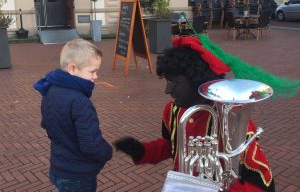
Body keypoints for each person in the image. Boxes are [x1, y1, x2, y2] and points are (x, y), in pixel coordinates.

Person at [114, 36, 276, 192]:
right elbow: (173, 146)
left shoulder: (231, 118)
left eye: (174, 82)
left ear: (197, 80)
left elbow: (261, 181)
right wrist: (142, 151)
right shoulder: (172, 110)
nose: (167, 90)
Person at [34, 39, 113, 192]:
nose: (96, 76)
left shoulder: (49, 90)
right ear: (72, 68)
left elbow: (46, 124)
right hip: (78, 176)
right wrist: (107, 152)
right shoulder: (80, 102)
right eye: (92, 71)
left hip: (58, 167)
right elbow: (91, 145)